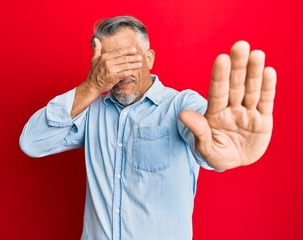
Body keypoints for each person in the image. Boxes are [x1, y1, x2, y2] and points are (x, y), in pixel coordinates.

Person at [19, 16, 276, 240]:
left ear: (149, 58)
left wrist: (218, 147)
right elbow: (32, 143)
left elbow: (207, 135)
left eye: (129, 59)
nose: (120, 73)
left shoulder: (180, 105)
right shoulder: (90, 112)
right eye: (109, 64)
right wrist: (91, 86)